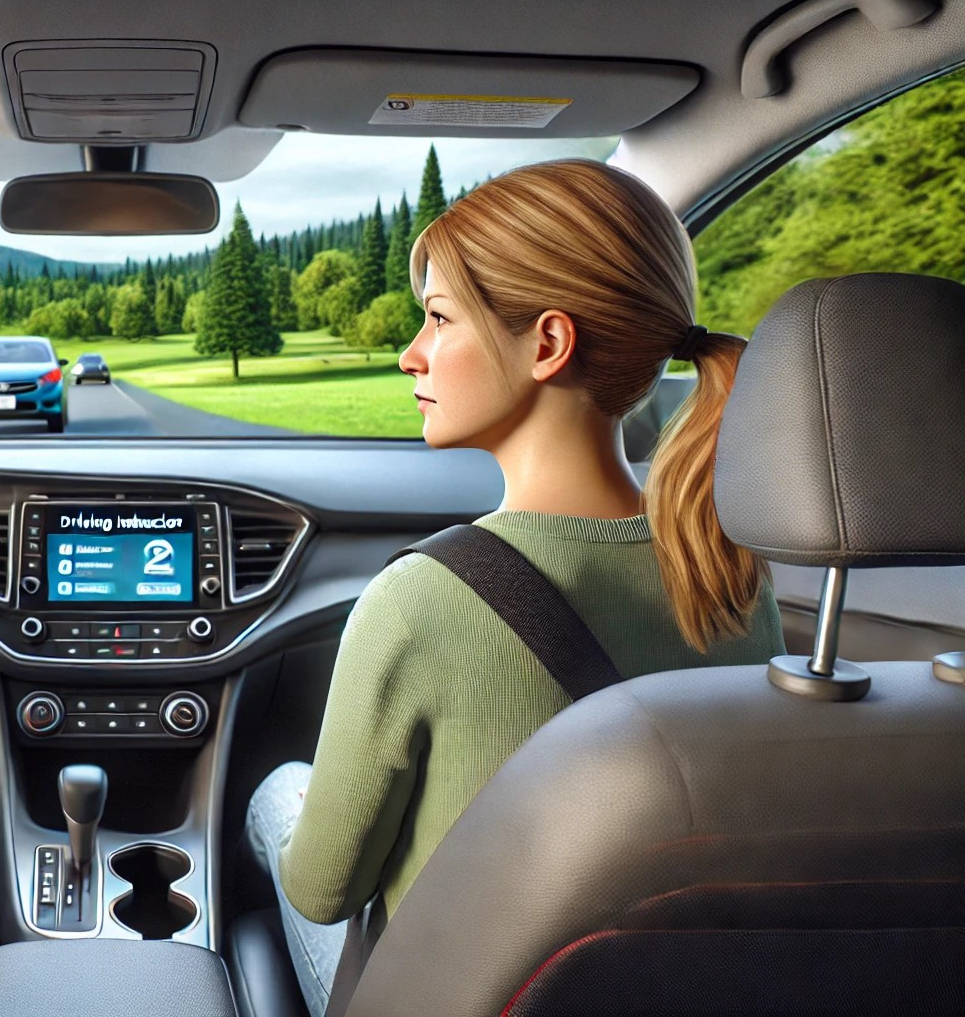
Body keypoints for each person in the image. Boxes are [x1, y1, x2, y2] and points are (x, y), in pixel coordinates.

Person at [246, 158, 785, 1016]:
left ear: (547, 344)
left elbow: (321, 893)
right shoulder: (734, 575)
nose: (407, 354)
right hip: (667, 989)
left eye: (437, 319)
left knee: (279, 796)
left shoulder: (420, 598)